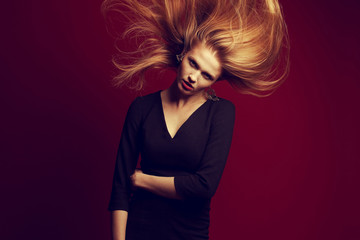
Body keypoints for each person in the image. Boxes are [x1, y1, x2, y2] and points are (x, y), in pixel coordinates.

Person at [101, 0, 289, 239]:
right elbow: (119, 189)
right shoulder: (141, 108)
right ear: (183, 53)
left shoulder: (221, 113)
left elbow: (204, 187)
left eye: (206, 75)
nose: (194, 77)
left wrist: (141, 179)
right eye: (193, 63)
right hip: (140, 229)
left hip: (189, 234)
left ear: (214, 81)